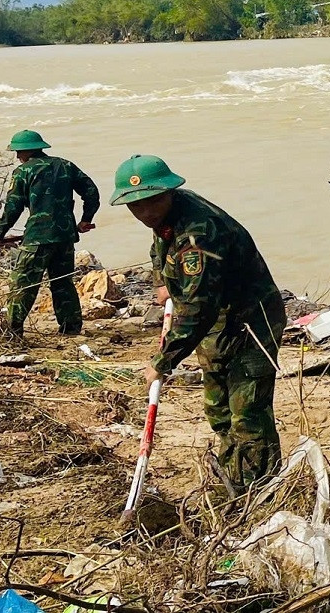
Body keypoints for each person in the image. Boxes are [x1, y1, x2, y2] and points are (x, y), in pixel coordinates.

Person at [115, 154, 285, 494]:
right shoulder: (167, 218)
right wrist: (162, 282)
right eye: (136, 206)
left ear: (169, 192)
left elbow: (197, 309)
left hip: (250, 322)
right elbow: (159, 244)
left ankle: (262, 490)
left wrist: (163, 363)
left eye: (152, 202)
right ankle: (233, 476)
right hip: (217, 325)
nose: (145, 212)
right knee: (218, 408)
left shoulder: (197, 233)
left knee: (248, 414)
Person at [0, 129, 98, 340]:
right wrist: (85, 220)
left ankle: (12, 331)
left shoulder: (23, 172)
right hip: (65, 238)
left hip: (37, 238)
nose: (17, 157)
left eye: (18, 152)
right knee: (63, 283)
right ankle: (70, 329)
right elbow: (91, 192)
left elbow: (13, 207)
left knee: (23, 284)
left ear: (27, 151)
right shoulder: (65, 165)